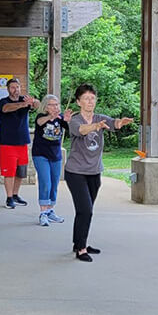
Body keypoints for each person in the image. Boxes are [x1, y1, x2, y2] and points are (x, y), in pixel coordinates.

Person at [61, 84, 133, 261]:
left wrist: (120, 122)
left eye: (92, 98)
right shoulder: (75, 119)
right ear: (79, 102)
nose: (90, 101)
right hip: (76, 172)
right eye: (86, 98)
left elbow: (113, 123)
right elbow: (81, 130)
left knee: (85, 210)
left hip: (94, 172)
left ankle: (79, 242)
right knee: (85, 210)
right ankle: (81, 249)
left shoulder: (101, 118)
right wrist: (95, 126)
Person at [0, 76, 39, 209]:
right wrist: (23, 104)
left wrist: (33, 102)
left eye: (17, 87)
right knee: (9, 172)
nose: (15, 90)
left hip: (22, 142)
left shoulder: (24, 99)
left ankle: (15, 195)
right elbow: (6, 108)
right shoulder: (4, 101)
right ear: (8, 89)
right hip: (8, 143)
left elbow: (37, 106)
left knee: (20, 172)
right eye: (13, 87)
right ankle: (9, 198)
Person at [32, 94, 71, 226]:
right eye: (52, 105)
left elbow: (71, 131)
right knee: (45, 182)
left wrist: (67, 120)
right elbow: (39, 123)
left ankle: (50, 210)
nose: (55, 107)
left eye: (56, 104)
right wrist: (51, 117)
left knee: (54, 184)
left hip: (56, 155)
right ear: (45, 106)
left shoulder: (60, 119)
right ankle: (43, 213)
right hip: (40, 154)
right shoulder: (41, 117)